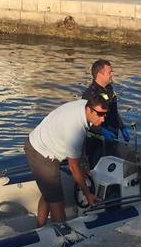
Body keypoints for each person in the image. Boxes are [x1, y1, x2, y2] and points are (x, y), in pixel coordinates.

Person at [24, 97, 105, 227]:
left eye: (105, 114)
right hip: (41, 152)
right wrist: (87, 194)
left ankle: (40, 227)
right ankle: (62, 235)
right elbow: (73, 167)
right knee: (56, 200)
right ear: (89, 110)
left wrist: (84, 167)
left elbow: (80, 148)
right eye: (100, 115)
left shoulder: (85, 106)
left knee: (49, 193)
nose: (103, 119)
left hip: (47, 145)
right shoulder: (75, 130)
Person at [82, 59, 132, 168]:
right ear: (100, 74)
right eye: (110, 72)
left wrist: (122, 127)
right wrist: (102, 131)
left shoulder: (110, 89)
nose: (112, 74)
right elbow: (86, 120)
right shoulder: (90, 95)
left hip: (113, 135)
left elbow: (114, 111)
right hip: (97, 141)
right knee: (98, 167)